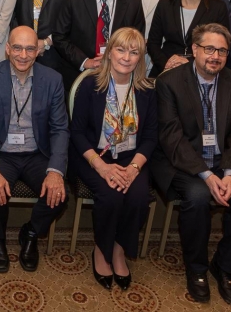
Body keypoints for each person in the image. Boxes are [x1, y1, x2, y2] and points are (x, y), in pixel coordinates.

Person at [153, 23, 231, 305]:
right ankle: (197, 268)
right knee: (198, 196)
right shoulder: (169, 82)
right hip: (183, 163)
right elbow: (172, 138)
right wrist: (207, 177)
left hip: (223, 162)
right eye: (209, 49)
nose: (215, 56)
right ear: (195, 50)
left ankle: (225, 268)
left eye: (222, 51)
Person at [0, 26, 69, 273]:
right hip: (1, 153)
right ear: (7, 49)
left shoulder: (53, 80)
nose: (23, 55)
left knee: (58, 194)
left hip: (37, 153)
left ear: (37, 52)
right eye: (17, 48)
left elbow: (60, 130)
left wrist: (56, 170)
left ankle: (31, 233)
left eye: (29, 48)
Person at [71, 28, 157, 289]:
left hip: (132, 158)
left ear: (140, 58)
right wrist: (102, 167)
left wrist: (132, 169)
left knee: (139, 196)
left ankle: (118, 249)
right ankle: (101, 249)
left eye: (134, 52)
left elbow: (151, 136)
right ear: (109, 52)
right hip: (93, 156)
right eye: (120, 49)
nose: (126, 57)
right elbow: (76, 133)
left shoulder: (147, 89)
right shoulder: (90, 84)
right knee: (110, 195)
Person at [53, 0, 146, 92]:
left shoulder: (133, 4)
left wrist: (118, 63)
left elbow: (137, 44)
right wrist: (85, 62)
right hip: (77, 76)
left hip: (118, 78)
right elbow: (59, 36)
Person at [147, 0, 230, 77]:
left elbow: (221, 47)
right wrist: (166, 64)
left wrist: (191, 63)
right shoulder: (165, 5)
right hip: (166, 69)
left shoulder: (218, 8)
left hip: (202, 71)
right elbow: (153, 43)